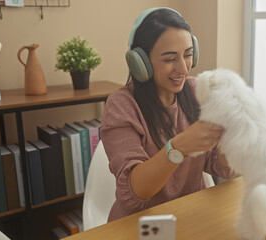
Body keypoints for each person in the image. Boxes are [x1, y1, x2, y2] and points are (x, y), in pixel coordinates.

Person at [100, 7, 234, 222]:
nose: (183, 68)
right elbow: (134, 193)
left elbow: (218, 165)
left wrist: (236, 139)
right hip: (139, 225)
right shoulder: (122, 105)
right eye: (170, 58)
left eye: (188, 55)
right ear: (140, 62)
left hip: (190, 217)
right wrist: (178, 148)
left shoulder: (196, 90)